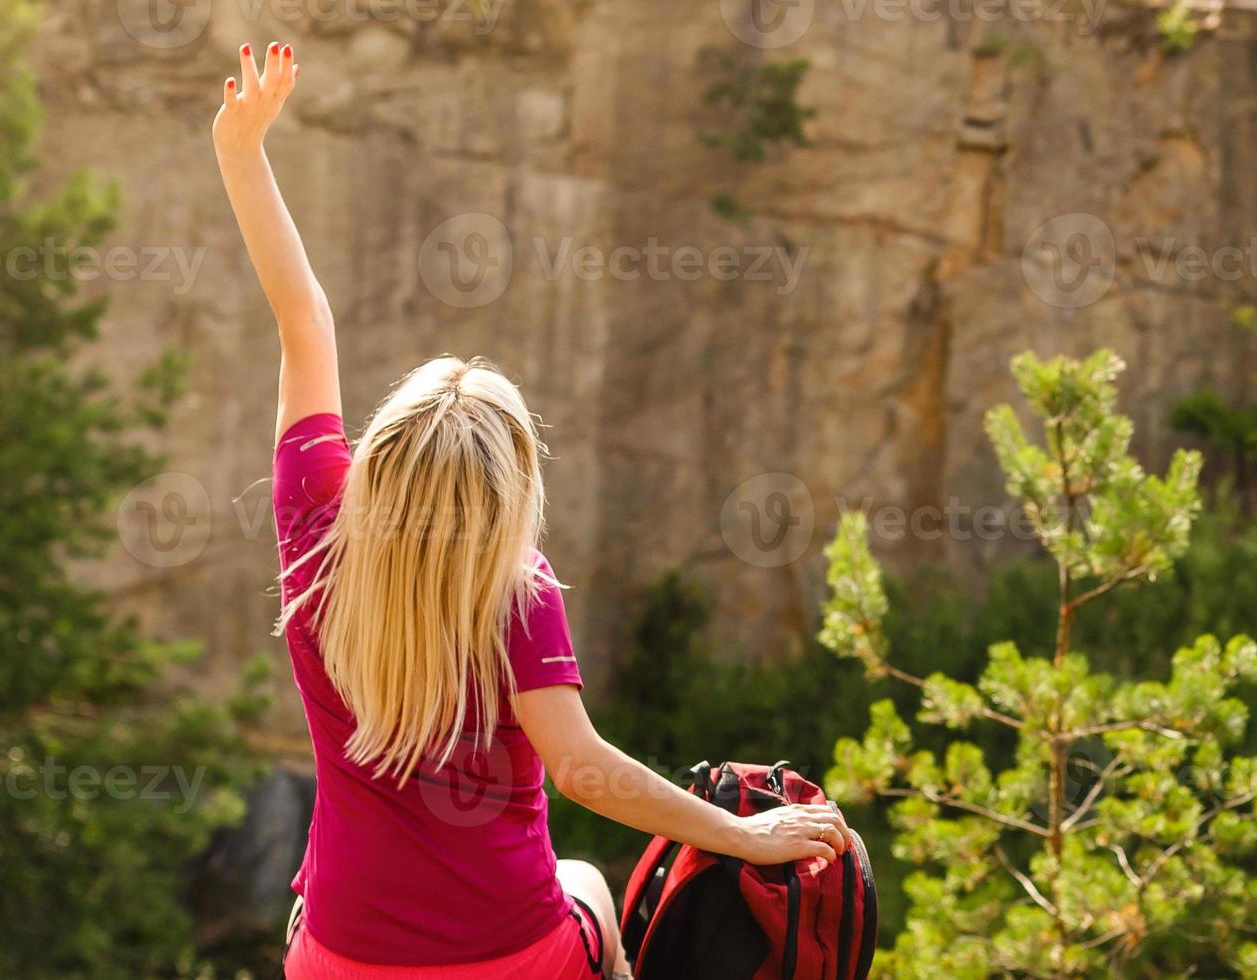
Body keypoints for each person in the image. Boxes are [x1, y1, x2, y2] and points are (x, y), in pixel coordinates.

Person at [214, 42, 853, 979]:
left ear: (382, 461)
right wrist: (746, 838)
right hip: (506, 956)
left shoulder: (317, 530)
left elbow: (304, 316)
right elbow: (584, 771)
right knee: (587, 881)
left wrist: (241, 151)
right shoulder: (518, 592)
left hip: (340, 954)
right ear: (510, 493)